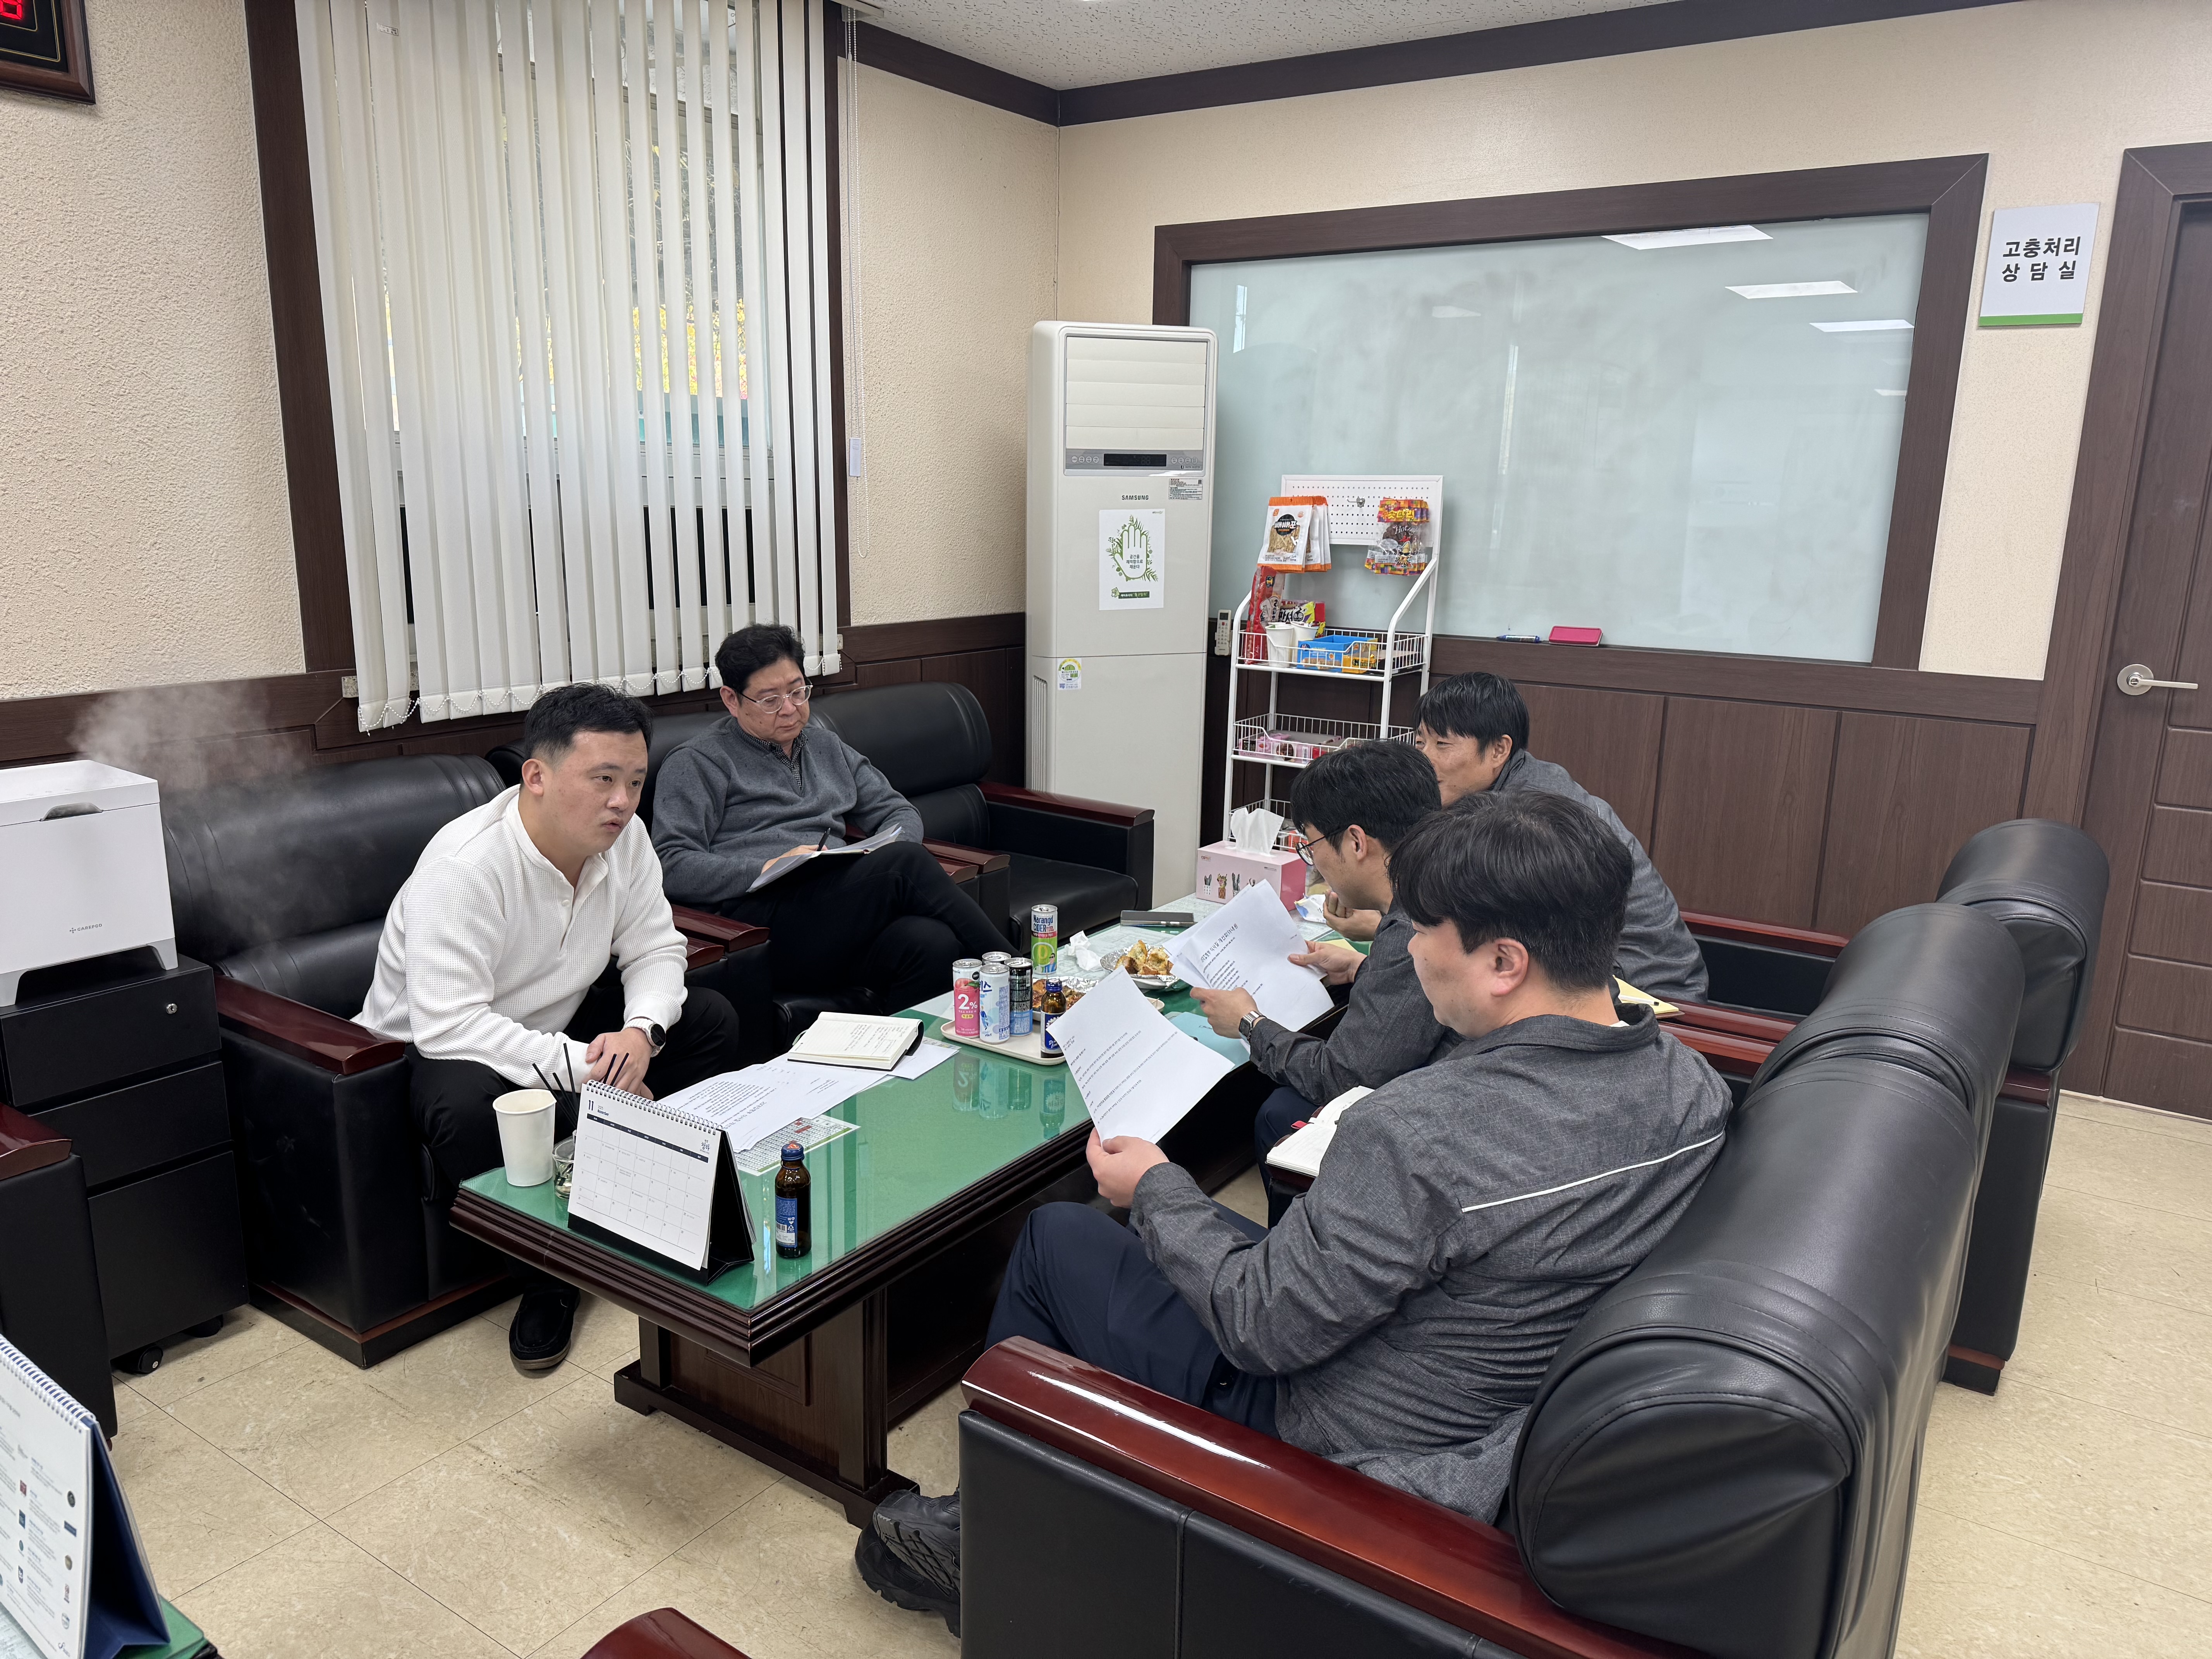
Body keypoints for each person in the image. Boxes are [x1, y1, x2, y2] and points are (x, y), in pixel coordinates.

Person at [856, 790, 1734, 1634]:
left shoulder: (1422, 1131)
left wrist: (1157, 1185)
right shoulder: (1689, 1086)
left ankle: (986, 1547)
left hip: (1339, 1432)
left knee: (1057, 1237)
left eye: (1423, 929)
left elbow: (1258, 1327)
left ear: (1505, 963)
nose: (1410, 952)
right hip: (1468, 1397)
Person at [359, 684, 745, 1372]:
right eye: (603, 779)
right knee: (466, 1105)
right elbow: (449, 1024)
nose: (623, 802)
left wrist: (641, 1035)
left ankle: (654, 1198)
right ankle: (549, 1276)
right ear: (535, 776)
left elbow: (657, 947)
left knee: (709, 1018)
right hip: (438, 1049)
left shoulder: (625, 841)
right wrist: (592, 1071)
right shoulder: (465, 866)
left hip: (557, 1026)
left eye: (636, 782)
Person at [651, 624, 1008, 1014]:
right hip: (763, 929)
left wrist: (868, 857)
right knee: (904, 863)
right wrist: (767, 867)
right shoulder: (697, 762)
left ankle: (908, 1048)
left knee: (931, 942)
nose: (790, 709)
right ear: (732, 700)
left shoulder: (825, 745)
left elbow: (898, 811)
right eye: (770, 700)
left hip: (838, 908)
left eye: (797, 691)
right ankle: (1022, 978)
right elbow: (671, 863)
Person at [1188, 740, 1453, 1225]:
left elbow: (1341, 1078)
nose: (1314, 864)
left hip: (1431, 1123)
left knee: (1280, 1111)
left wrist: (1248, 1023)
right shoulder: (1445, 882)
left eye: (1310, 846)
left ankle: (1291, 1254)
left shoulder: (1414, 929)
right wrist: (1361, 968)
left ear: (1356, 842)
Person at [1365, 671, 1708, 1003]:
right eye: (1420, 742)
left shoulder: (1526, 816)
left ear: (1499, 750)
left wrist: (1386, 928)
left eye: (1442, 744)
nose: (1425, 759)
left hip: (1644, 985)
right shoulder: (1507, 792)